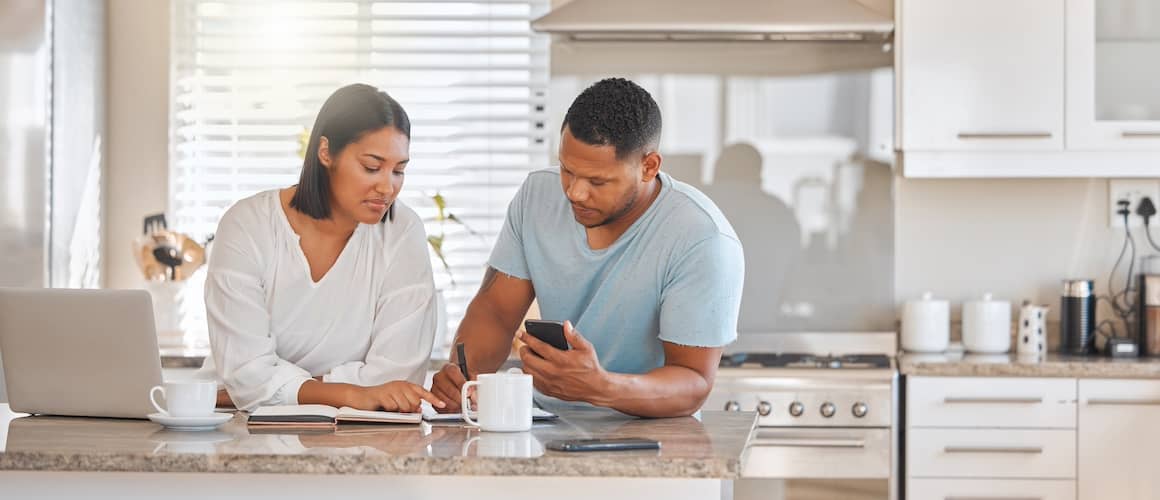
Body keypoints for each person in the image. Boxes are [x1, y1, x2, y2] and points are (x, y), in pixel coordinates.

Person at [430, 78, 745, 418]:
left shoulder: (702, 238)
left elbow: (694, 380)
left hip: (650, 436)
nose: (575, 193)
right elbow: (495, 311)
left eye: (598, 181)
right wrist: (462, 377)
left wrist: (601, 387)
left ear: (648, 167)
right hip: (543, 423)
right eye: (567, 170)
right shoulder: (538, 196)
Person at [202, 84, 444, 413]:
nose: (388, 187)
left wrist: (270, 389)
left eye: (399, 170)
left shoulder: (402, 231)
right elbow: (247, 376)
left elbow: (397, 377)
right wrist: (351, 394)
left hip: (358, 435)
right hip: (238, 427)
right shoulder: (247, 225)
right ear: (326, 152)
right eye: (372, 167)